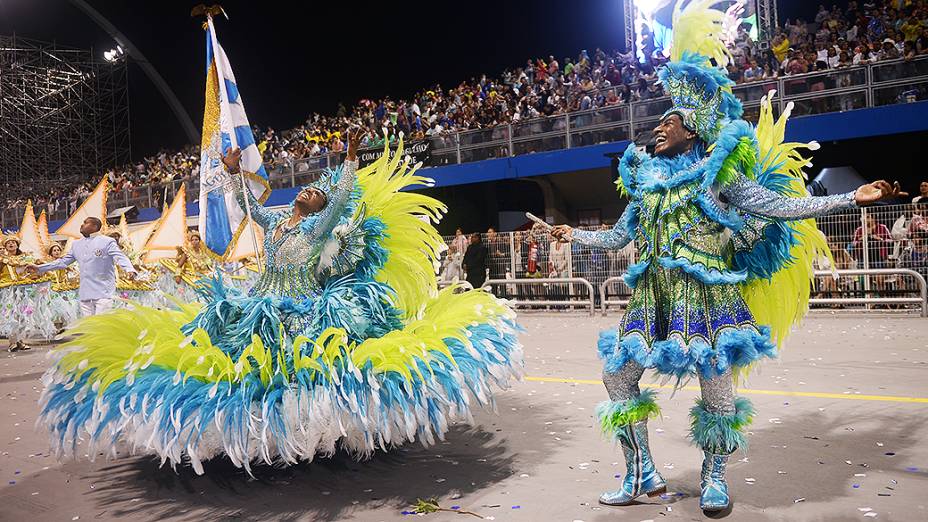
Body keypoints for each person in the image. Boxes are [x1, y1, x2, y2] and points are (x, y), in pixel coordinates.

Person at [551, 2, 905, 512]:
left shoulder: (718, 179)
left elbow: (781, 206)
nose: (657, 127)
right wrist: (573, 236)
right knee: (616, 376)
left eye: (667, 121)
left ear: (691, 129)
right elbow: (617, 238)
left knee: (715, 388)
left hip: (709, 298)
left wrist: (849, 198)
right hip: (652, 302)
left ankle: (714, 476)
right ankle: (640, 474)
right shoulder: (645, 185)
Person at [39, 129, 521, 475]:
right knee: (235, 341)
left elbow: (341, 197)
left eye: (316, 191)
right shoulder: (277, 222)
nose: (310, 191)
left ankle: (308, 429)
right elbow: (248, 209)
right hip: (263, 295)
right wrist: (232, 176)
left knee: (296, 360)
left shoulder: (319, 226)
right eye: (307, 189)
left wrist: (350, 161)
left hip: (300, 300)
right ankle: (247, 427)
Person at [27, 217, 137, 317]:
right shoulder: (76, 244)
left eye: (85, 222)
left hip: (104, 292)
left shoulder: (107, 242)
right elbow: (62, 262)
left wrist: (129, 269)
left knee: (101, 325)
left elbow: (120, 256)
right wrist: (40, 268)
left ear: (95, 227)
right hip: (85, 293)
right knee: (88, 326)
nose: (81, 225)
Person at [0, 236, 55, 351]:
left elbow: (32, 272)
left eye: (13, 242)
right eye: (8, 243)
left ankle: (21, 341)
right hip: (8, 291)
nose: (11, 244)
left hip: (23, 290)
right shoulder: (2, 259)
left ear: (17, 245)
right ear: (5, 246)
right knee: (12, 315)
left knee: (23, 315)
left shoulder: (26, 258)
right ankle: (12, 342)